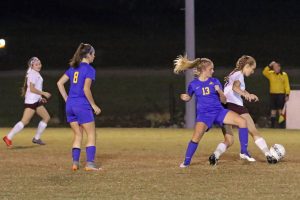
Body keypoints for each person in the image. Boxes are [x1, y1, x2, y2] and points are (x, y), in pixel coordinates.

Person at [173, 55, 250, 168]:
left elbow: (223, 100)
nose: (213, 71)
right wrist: (185, 97)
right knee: (196, 137)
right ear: (204, 70)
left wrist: (220, 92)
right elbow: (189, 97)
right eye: (211, 69)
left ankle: (244, 152)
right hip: (204, 115)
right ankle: (186, 162)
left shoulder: (215, 81)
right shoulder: (193, 84)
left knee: (242, 122)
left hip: (219, 111)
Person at [210, 55, 277, 164]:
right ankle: (269, 156)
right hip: (236, 106)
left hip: (224, 107)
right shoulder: (239, 74)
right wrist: (246, 95)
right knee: (254, 132)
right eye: (252, 69)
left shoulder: (233, 73)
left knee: (229, 140)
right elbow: (235, 88)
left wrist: (247, 94)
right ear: (246, 66)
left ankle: (215, 155)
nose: (253, 72)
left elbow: (234, 88)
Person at [57, 43, 102, 171]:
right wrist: (93, 105)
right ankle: (90, 164)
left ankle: (75, 163)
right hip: (81, 105)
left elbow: (59, 83)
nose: (94, 56)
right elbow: (86, 89)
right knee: (92, 134)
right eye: (93, 54)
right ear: (88, 55)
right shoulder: (89, 69)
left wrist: (66, 98)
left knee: (78, 135)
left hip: (70, 105)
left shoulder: (73, 68)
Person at [3, 57, 51, 147]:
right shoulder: (33, 74)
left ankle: (36, 138)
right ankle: (8, 137)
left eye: (40, 64)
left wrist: (40, 98)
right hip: (31, 101)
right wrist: (43, 93)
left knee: (46, 117)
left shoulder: (35, 73)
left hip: (36, 100)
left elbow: (36, 87)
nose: (39, 66)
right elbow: (32, 89)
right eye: (36, 64)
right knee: (24, 121)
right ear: (31, 66)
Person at [262, 61, 290, 128]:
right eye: (274, 67)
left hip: (281, 94)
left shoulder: (284, 74)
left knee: (280, 110)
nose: (276, 68)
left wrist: (287, 94)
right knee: (273, 110)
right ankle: (272, 126)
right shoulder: (271, 74)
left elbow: (287, 85)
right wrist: (269, 65)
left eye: (277, 67)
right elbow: (264, 72)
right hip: (272, 94)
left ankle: (281, 125)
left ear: (280, 67)